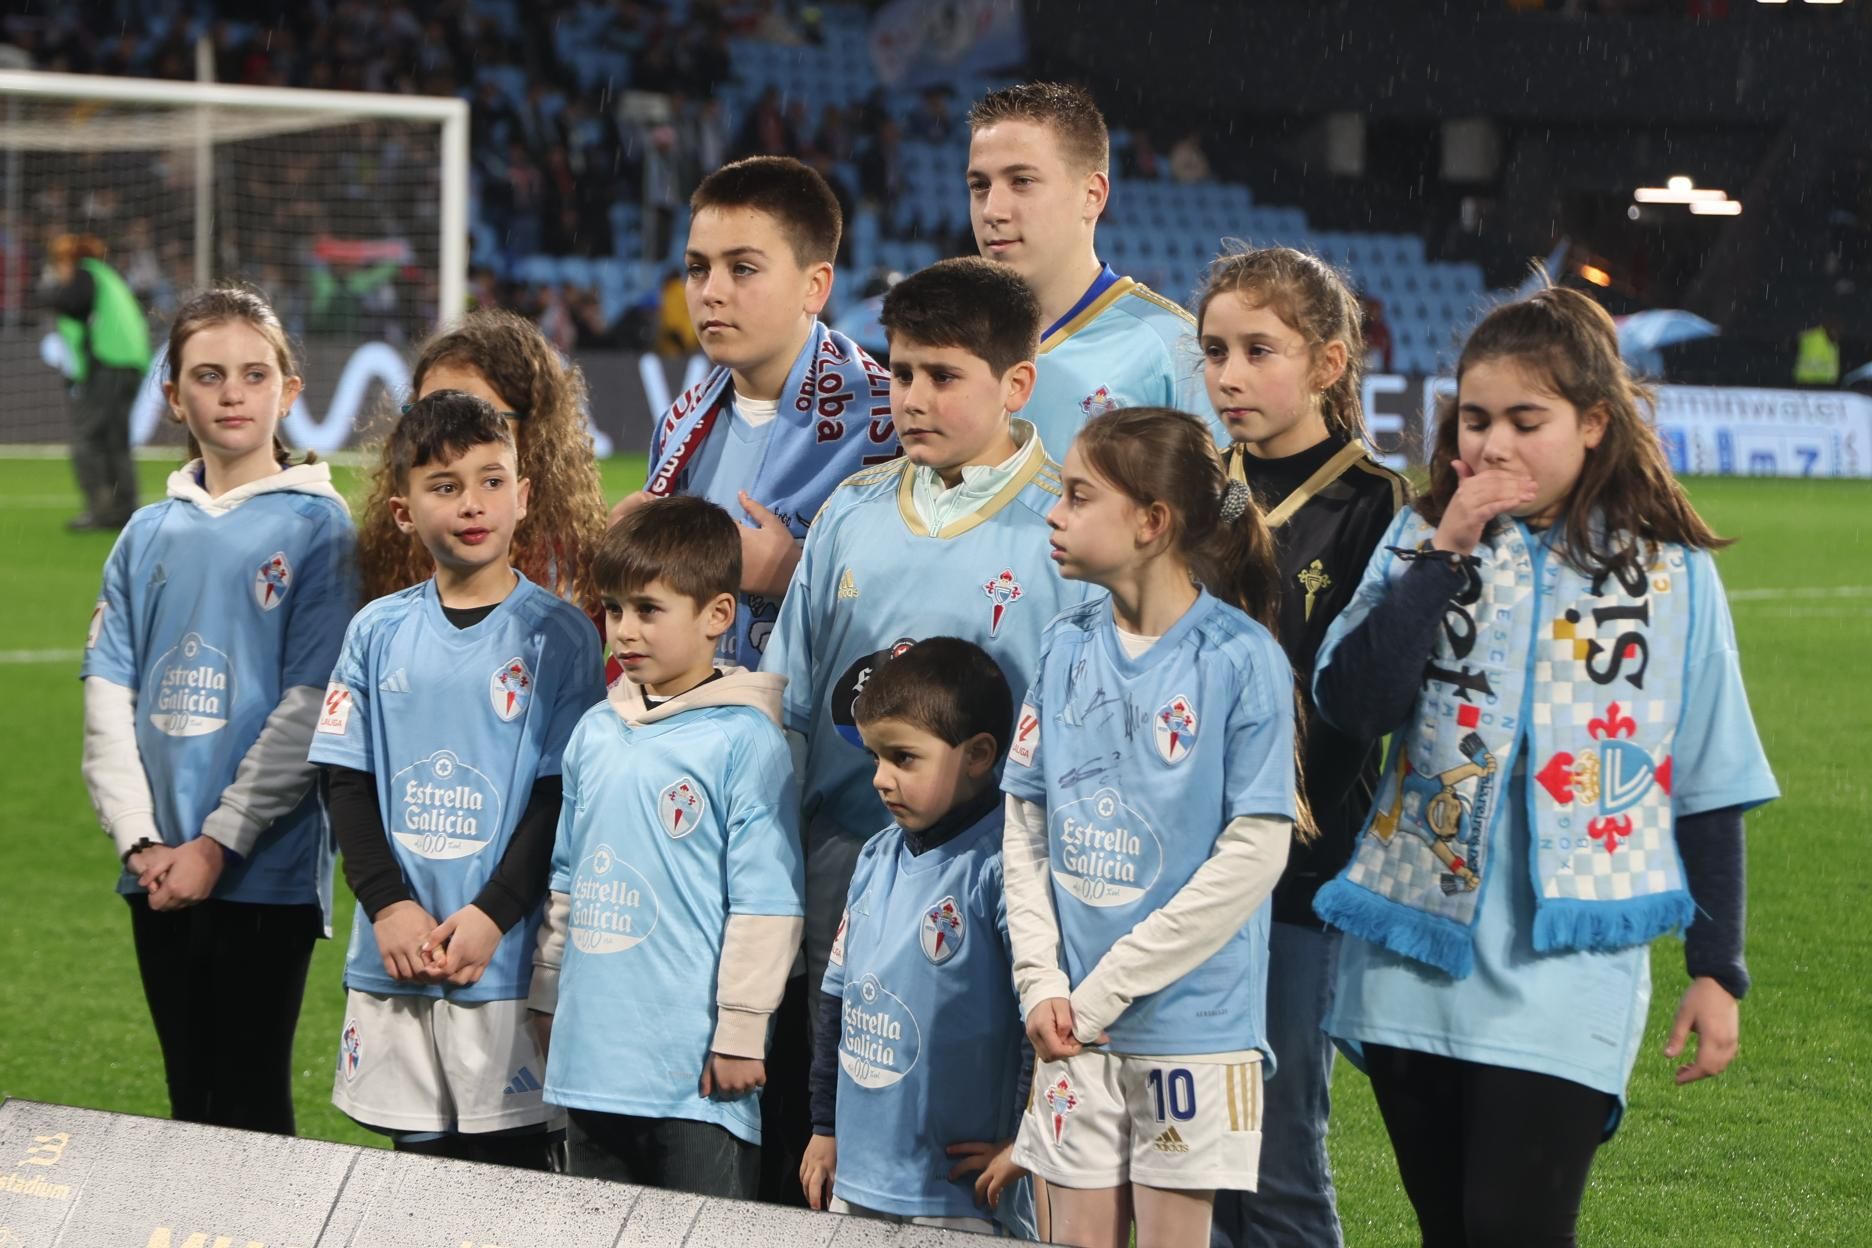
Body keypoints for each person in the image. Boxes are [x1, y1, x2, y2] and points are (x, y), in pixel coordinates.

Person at [1311, 286, 1778, 1248]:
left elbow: (1709, 776)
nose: (1493, 446)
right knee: (1451, 1233)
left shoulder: (1672, 573)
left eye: (1528, 421)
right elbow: (1353, 707)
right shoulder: (1417, 539)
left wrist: (1716, 969)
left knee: (1514, 1229)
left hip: (1574, 967)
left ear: (1594, 424)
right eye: (1476, 420)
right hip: (1411, 957)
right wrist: (1444, 556)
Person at [762, 255, 1091, 1022]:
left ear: (1016, 385)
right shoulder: (850, 510)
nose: (911, 399)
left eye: (942, 377)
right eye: (900, 373)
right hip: (838, 869)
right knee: (825, 1114)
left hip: (998, 883)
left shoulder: (1069, 531)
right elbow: (788, 708)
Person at [1004, 407, 1298, 1248]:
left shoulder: (1242, 661)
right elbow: (1025, 825)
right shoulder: (1062, 647)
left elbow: (1254, 853)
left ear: (1150, 522)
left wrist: (1104, 988)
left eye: (1077, 496)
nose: (1053, 514)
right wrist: (1041, 981)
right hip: (1069, 1029)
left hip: (1192, 1032)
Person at [80, 286, 355, 1134]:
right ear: (172, 395)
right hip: (156, 870)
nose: (232, 393)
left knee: (249, 1110)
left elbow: (310, 706)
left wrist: (216, 842)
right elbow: (107, 694)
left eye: (252, 374)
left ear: (289, 389)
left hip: (258, 869)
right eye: (208, 375)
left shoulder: (320, 528)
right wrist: (141, 838)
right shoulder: (143, 532)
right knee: (186, 1104)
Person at [311, 391, 604, 1168]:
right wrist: (389, 906)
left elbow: (559, 800)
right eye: (444, 486)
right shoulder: (376, 631)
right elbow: (345, 781)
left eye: (490, 480)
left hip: (501, 963)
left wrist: (490, 916)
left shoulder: (560, 636)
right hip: (397, 958)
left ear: (524, 496)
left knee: (511, 1180)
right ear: (404, 510)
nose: (471, 504)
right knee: (415, 1175)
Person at [1199, 247, 1406, 1248]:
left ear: (1328, 363)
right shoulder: (1189, 489)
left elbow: (1372, 701)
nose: (1228, 375)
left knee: (1276, 1163)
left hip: (1300, 873)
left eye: (1257, 351)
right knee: (1189, 1155)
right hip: (1178, 866)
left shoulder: (1377, 504)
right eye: (1213, 352)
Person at [529, 496, 804, 1197]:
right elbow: (568, 876)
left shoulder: (745, 739)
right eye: (614, 609)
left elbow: (767, 903)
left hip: (694, 1077)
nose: (624, 630)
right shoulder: (596, 729)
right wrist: (548, 989)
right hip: (593, 1063)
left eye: (649, 610)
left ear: (717, 615)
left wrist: (741, 1030)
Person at [617, 156, 897, 669]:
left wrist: (792, 571)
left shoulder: (891, 420)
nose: (711, 292)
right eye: (697, 268)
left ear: (815, 286)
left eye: (742, 268)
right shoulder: (680, 423)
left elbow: (934, 596)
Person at [799, 638, 1030, 1235]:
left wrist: (1027, 1140)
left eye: (903, 758)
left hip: (958, 1195)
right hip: (858, 1175)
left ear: (979, 753)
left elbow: (1043, 1022)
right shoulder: (877, 855)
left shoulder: (1006, 864)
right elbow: (838, 1001)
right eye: (875, 757)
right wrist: (825, 1128)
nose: (879, 778)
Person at [965, 83, 1220, 454]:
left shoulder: (1171, 349)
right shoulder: (948, 342)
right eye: (979, 185)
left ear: (1092, 195)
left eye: (1022, 181)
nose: (991, 210)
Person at [356, 308, 608, 612]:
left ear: (532, 429)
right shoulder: (388, 550)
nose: (447, 433)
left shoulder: (569, 559)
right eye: (432, 411)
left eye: (477, 414)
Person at [45, 233, 152, 531]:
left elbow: (69, 303)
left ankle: (100, 510)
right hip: (129, 364)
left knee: (87, 438)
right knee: (116, 440)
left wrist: (51, 293)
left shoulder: (86, 274)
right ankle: (125, 508)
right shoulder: (109, 277)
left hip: (109, 364)